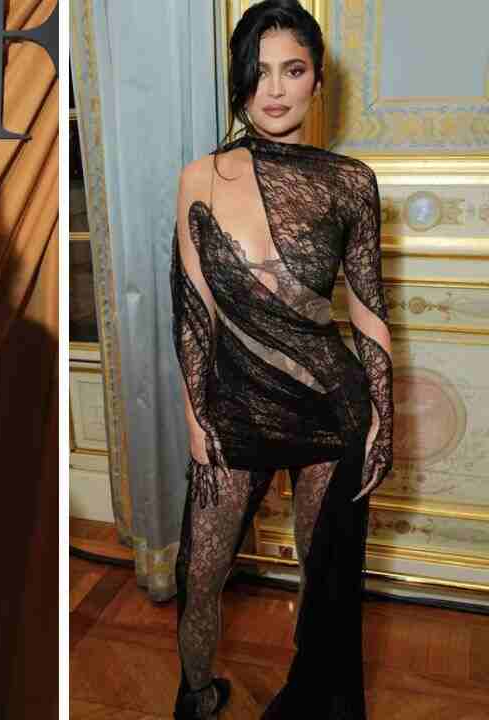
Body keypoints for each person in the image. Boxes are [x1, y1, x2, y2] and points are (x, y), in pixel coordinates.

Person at [169, 1, 392, 717]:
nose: (274, 89)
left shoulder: (351, 181)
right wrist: (195, 418)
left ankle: (311, 700)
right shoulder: (200, 177)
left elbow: (368, 310)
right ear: (239, 80)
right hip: (234, 407)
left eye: (292, 70)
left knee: (320, 578)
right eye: (258, 71)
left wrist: (383, 418)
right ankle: (197, 694)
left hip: (331, 410)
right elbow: (193, 310)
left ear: (317, 82)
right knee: (199, 576)